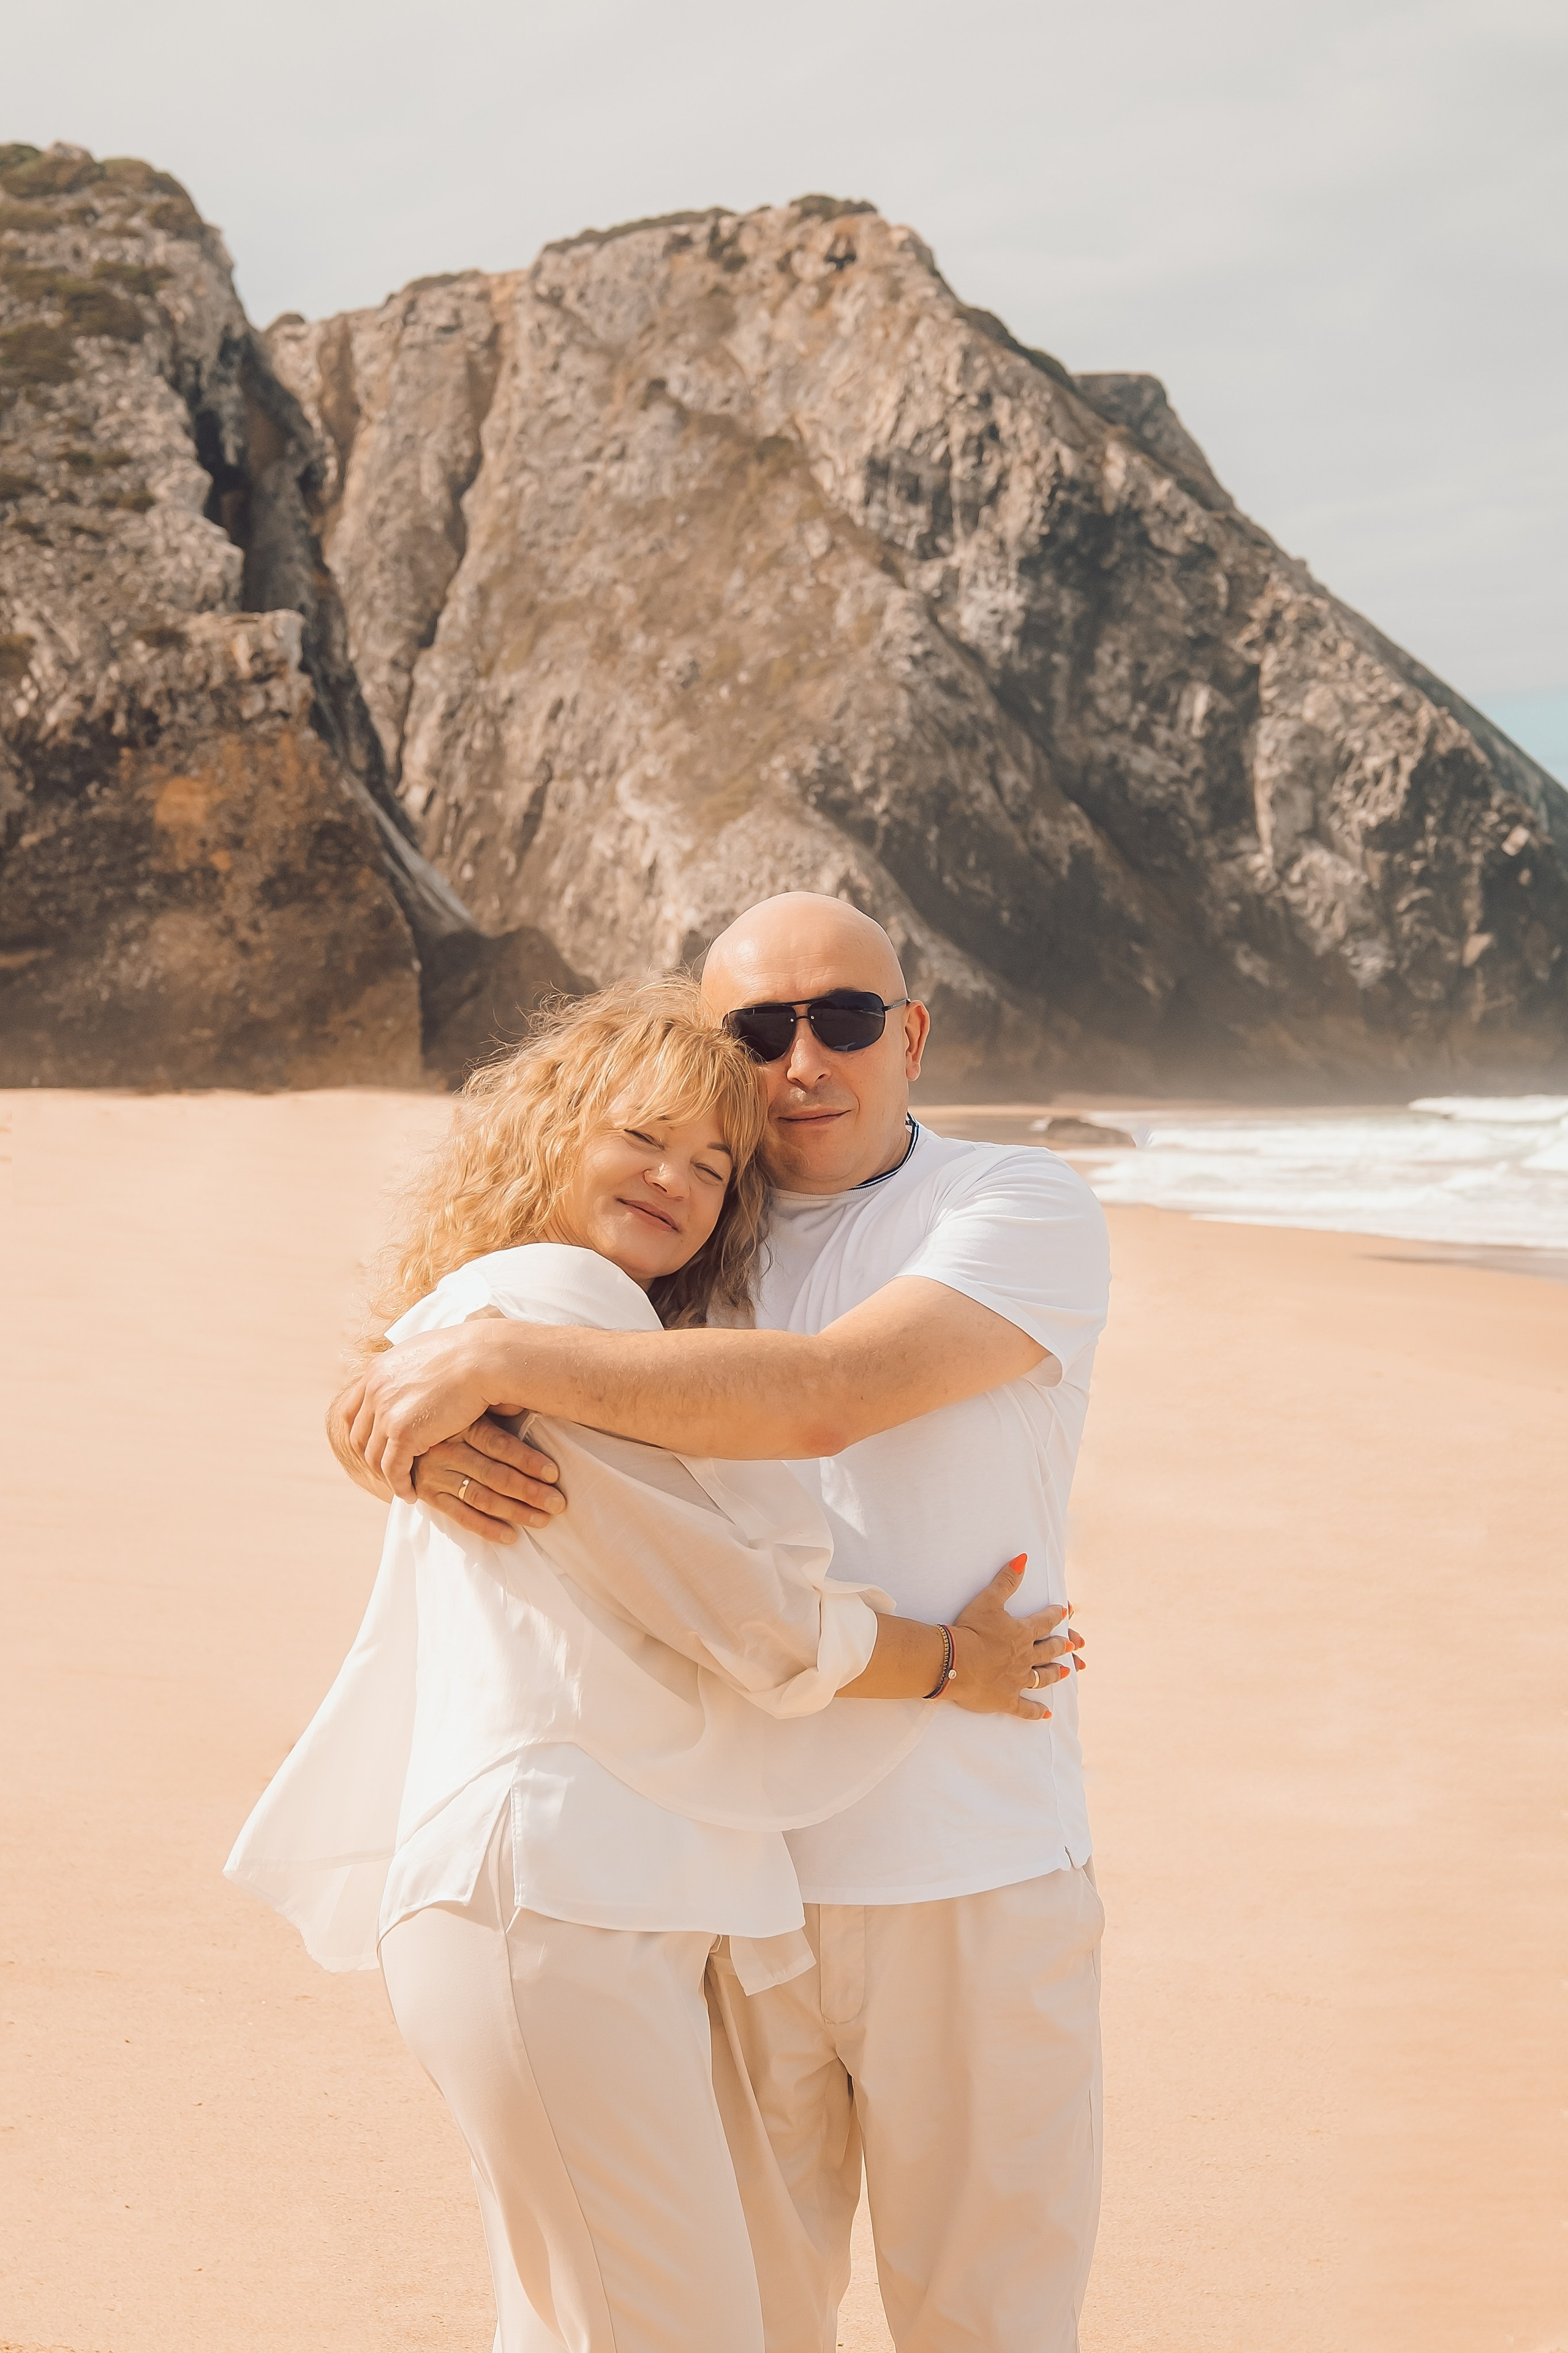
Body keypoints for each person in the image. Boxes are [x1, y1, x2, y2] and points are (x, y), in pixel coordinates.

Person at [230, 977, 1075, 2353]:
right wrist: (944, 1662)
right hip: (557, 1889)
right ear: (557, 1128)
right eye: (645, 1138)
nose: (678, 1180)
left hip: (570, 1897)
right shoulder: (547, 1301)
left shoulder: (530, 1319)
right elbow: (735, 1607)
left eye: (711, 1164)